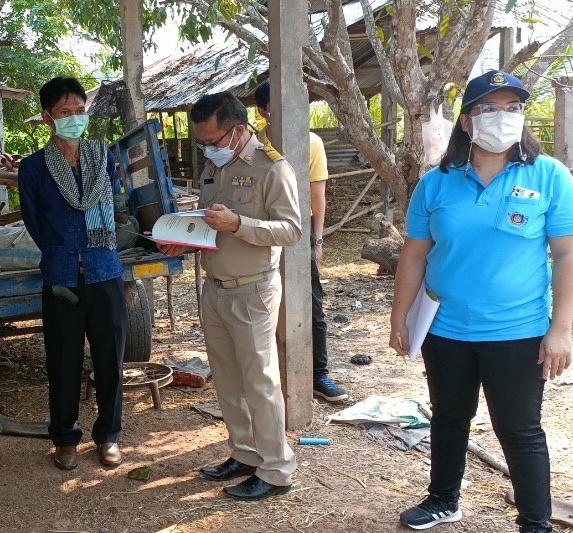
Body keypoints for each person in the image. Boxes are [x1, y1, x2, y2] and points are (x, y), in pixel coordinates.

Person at [388, 70, 573, 533]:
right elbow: (413, 255)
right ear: (468, 120)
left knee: (518, 430)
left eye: (512, 107)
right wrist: (401, 317)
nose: (503, 118)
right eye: (490, 108)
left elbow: (567, 256)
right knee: (449, 415)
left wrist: (560, 328)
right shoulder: (436, 183)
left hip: (517, 332)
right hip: (445, 327)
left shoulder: (548, 176)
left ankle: (536, 529)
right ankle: (443, 499)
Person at [158, 92, 304, 501]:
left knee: (260, 383)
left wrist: (238, 222)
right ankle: (244, 453)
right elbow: (209, 227)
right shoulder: (213, 167)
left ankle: (276, 470)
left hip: (253, 290)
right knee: (227, 380)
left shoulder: (272, 168)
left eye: (213, 140)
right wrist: (181, 242)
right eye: (201, 142)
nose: (208, 149)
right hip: (215, 290)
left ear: (238, 131)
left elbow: (291, 231)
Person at [19, 77, 126, 471]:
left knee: (110, 360)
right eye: (65, 113)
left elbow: (113, 205)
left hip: (104, 271)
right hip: (61, 276)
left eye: (80, 111)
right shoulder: (32, 169)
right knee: (62, 362)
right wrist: (64, 250)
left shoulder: (104, 157)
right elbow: (35, 223)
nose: (74, 119)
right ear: (48, 118)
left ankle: (109, 436)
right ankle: (64, 438)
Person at [253, 81, 348, 403]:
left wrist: (317, 240)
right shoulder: (254, 144)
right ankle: (270, 374)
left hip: (299, 229)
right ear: (263, 111)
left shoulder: (312, 143)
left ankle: (318, 373)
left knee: (311, 302)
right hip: (259, 229)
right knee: (264, 302)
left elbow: (317, 197)